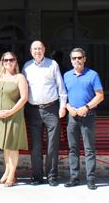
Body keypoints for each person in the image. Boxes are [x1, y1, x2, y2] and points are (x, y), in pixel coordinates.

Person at [22, 40, 67, 186]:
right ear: (31, 51)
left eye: (39, 48)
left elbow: (61, 87)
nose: (37, 51)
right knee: (35, 146)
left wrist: (62, 106)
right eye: (34, 49)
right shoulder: (27, 67)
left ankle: (52, 176)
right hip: (33, 110)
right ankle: (37, 177)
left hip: (51, 109)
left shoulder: (53, 64)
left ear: (44, 49)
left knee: (52, 145)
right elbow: (23, 89)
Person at [0, 52, 28, 187]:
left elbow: (24, 98)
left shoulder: (19, 77)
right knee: (5, 147)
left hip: (14, 116)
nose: (8, 62)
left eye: (11, 59)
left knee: (12, 146)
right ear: (2, 62)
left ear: (15, 62)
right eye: (5, 60)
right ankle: (7, 172)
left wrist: (11, 111)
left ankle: (11, 176)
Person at [63, 47, 104, 190]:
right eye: (74, 58)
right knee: (73, 149)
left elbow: (100, 95)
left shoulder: (93, 75)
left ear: (84, 59)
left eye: (79, 58)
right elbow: (63, 96)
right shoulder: (66, 76)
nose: (77, 60)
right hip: (72, 117)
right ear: (71, 60)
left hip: (88, 115)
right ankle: (74, 178)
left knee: (89, 149)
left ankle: (91, 180)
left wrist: (86, 107)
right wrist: (69, 108)